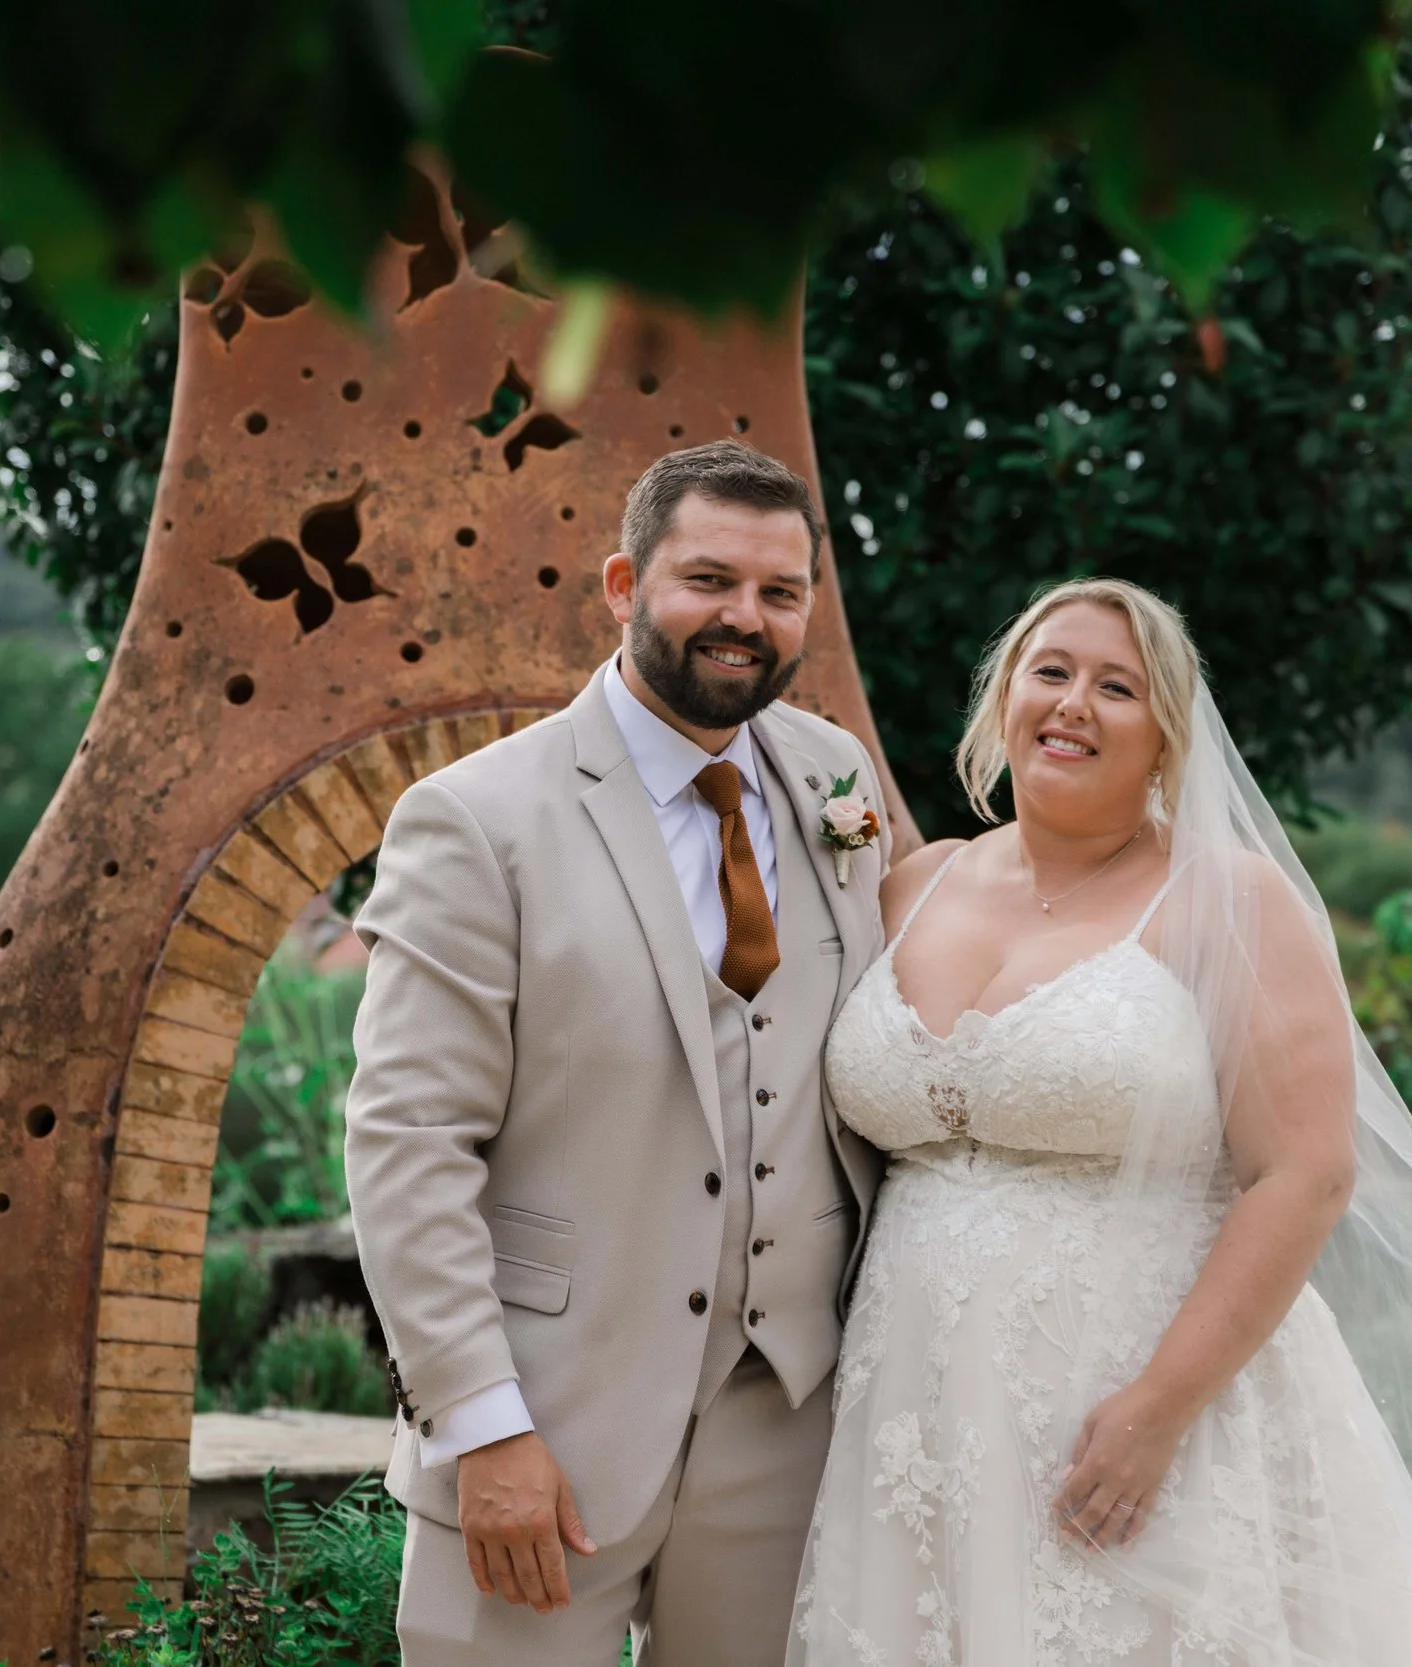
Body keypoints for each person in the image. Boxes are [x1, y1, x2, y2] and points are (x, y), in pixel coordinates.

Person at [791, 579, 1412, 1667]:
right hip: (911, 1401)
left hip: (1146, 1401)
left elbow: (1304, 1173)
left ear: (1168, 735)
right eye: (1052, 671)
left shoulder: (1228, 900)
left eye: (1116, 687)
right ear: (1003, 701)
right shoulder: (912, 884)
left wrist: (1159, 1406)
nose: (1075, 702)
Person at [345, 441, 895, 1664]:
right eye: (708, 579)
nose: (743, 618)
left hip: (786, 1412)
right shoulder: (477, 820)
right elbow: (406, 1142)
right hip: (552, 1413)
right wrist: (481, 1428)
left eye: (779, 591)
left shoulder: (834, 779)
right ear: (621, 584)